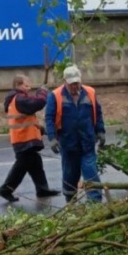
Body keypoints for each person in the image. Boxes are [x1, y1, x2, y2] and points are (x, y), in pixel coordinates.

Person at [44, 65, 106, 203]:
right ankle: (70, 200)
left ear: (80, 80)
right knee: (70, 174)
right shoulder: (55, 96)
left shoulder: (90, 92)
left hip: (87, 141)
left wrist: (100, 131)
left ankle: (95, 203)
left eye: (77, 83)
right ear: (65, 81)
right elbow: (49, 118)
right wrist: (52, 138)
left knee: (90, 171)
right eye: (71, 84)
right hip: (68, 143)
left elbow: (98, 112)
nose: (74, 86)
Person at [0, 75, 60, 202]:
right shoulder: (19, 98)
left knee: (35, 163)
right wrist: (42, 92)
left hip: (23, 138)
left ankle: (42, 189)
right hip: (24, 139)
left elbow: (28, 120)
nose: (29, 88)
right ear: (18, 85)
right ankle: (5, 189)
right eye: (26, 85)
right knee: (21, 166)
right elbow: (37, 103)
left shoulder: (16, 99)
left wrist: (42, 130)